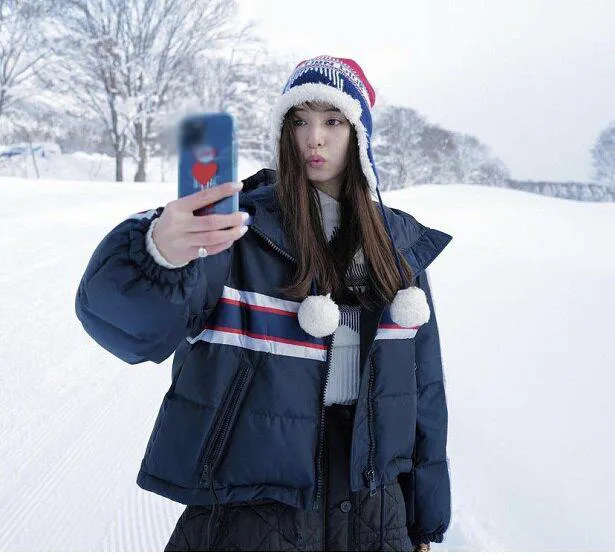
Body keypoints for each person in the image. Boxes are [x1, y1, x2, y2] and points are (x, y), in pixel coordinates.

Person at [75, 55, 453, 551]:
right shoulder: (238, 231)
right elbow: (130, 328)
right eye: (299, 121)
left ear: (359, 134)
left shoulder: (398, 245)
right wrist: (158, 251)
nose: (313, 138)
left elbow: (424, 386)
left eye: (332, 120)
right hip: (250, 505)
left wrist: (424, 514)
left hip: (373, 506)